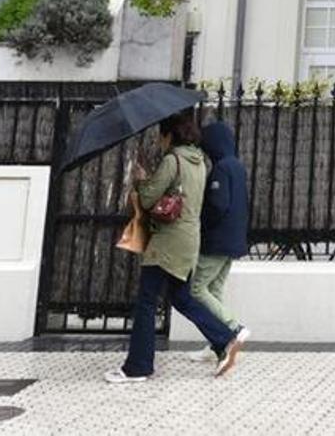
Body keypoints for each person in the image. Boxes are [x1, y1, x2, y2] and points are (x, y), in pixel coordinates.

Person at [105, 111, 249, 383]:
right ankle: (225, 340)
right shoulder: (200, 163)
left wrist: (140, 179)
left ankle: (138, 366)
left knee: (147, 301)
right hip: (189, 240)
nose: (159, 141)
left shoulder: (173, 160)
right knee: (182, 298)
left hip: (168, 241)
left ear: (169, 135)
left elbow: (148, 199)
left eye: (161, 136)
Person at [188, 120, 251, 363]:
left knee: (196, 289)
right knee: (214, 290)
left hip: (217, 241)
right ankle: (217, 343)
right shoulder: (237, 166)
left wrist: (201, 222)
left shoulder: (222, 169)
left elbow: (217, 204)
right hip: (233, 240)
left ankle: (233, 329)